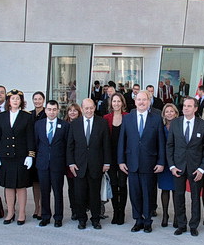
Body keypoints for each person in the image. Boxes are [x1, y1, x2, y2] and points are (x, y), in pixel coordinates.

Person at [118, 89, 165, 233]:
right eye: (139, 99)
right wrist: (121, 160)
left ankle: (148, 221)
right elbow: (122, 141)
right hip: (131, 163)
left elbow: (161, 142)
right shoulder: (127, 118)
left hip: (150, 163)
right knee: (135, 193)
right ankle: (138, 220)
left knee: (148, 193)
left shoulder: (156, 119)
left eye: (144, 99)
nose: (141, 102)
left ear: (149, 101)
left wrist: (161, 162)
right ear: (135, 101)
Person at [167, 96, 204, 236]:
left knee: (195, 198)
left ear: (196, 108)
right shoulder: (175, 123)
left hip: (196, 168)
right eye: (184, 105)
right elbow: (169, 146)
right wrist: (172, 166)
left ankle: (193, 226)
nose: (186, 108)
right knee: (179, 197)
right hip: (178, 167)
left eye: (189, 106)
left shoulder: (203, 125)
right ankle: (181, 225)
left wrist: (201, 169)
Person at [66, 98, 111, 230]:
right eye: (86, 108)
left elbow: (106, 145)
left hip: (96, 165)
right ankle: (82, 219)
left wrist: (106, 163)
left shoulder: (101, 123)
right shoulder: (75, 124)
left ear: (95, 107)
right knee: (79, 195)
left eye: (91, 108)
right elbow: (70, 146)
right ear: (82, 108)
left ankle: (96, 219)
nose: (89, 110)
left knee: (95, 195)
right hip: (79, 166)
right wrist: (71, 163)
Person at [0, 90, 35, 225]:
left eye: (18, 99)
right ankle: (10, 212)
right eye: (12, 99)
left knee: (21, 186)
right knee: (8, 186)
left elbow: (30, 137)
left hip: (21, 156)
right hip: (5, 157)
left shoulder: (26, 117)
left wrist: (30, 155)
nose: (15, 101)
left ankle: (21, 212)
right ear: (8, 101)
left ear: (21, 101)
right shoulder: (2, 116)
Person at [35, 100, 69, 227]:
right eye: (49, 109)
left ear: (58, 111)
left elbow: (66, 146)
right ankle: (45, 216)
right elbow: (36, 143)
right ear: (45, 110)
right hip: (42, 164)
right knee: (44, 192)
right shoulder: (38, 125)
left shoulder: (64, 125)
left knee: (58, 192)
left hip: (58, 164)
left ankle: (58, 217)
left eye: (54, 109)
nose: (52, 112)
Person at [103, 93, 128, 224]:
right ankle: (115, 211)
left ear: (122, 103)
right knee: (113, 184)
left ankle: (122, 212)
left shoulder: (128, 117)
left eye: (119, 101)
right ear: (111, 103)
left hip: (124, 158)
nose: (116, 104)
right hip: (111, 157)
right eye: (114, 101)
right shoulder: (106, 118)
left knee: (122, 184)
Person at [157, 103, 179, 227]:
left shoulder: (180, 126)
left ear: (176, 113)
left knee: (176, 190)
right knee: (165, 190)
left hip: (177, 162)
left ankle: (177, 215)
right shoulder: (161, 127)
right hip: (164, 162)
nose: (169, 113)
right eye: (167, 111)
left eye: (172, 111)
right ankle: (165, 214)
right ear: (164, 114)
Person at [64, 103, 82, 221]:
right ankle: (74, 210)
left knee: (81, 187)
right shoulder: (64, 125)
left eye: (75, 110)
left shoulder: (82, 124)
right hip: (69, 161)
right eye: (70, 110)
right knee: (72, 187)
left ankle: (83, 208)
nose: (72, 112)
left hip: (81, 161)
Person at [30, 91, 47, 220]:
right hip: (32, 153)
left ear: (43, 100)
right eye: (35, 99)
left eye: (39, 99)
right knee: (35, 182)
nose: (37, 101)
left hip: (43, 153)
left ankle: (43, 207)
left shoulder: (47, 113)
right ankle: (36, 206)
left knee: (43, 182)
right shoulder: (29, 114)